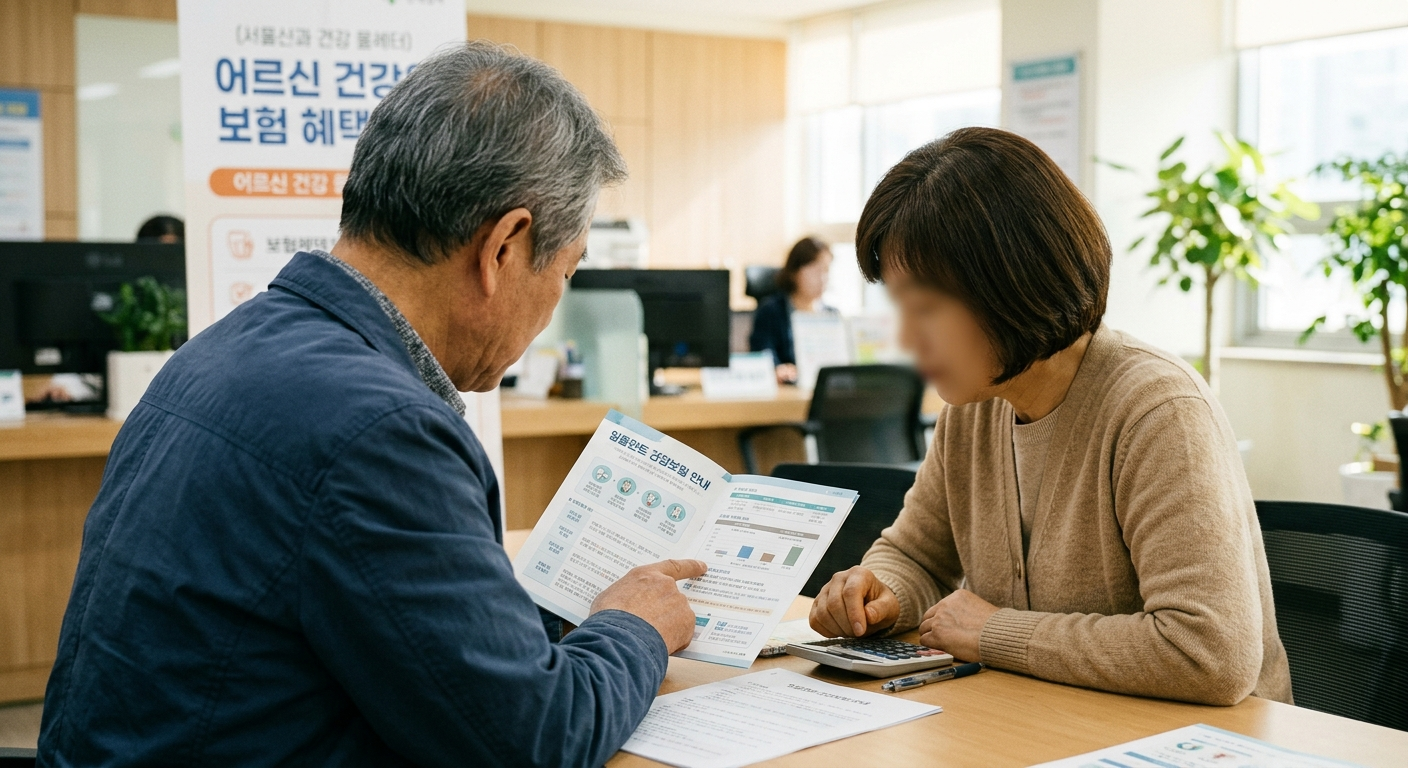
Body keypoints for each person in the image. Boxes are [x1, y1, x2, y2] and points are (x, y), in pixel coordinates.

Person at [40, 43, 706, 767]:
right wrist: (632, 627)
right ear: (505, 247)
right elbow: (531, 743)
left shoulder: (221, 352)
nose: (554, 306)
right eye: (566, 271)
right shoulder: (381, 431)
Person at [809, 127, 1292, 707]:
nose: (907, 339)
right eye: (899, 307)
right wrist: (879, 589)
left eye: (927, 309)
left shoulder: (1158, 411)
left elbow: (1208, 653)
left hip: (1191, 744)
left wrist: (994, 633)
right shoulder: (974, 406)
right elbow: (915, 553)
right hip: (1046, 721)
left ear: (1012, 284)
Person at [749, 236, 835, 383]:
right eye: (815, 270)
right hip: (785, 392)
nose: (822, 278)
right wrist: (777, 368)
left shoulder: (832, 315)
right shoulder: (770, 311)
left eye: (826, 270)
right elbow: (762, 353)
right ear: (795, 272)